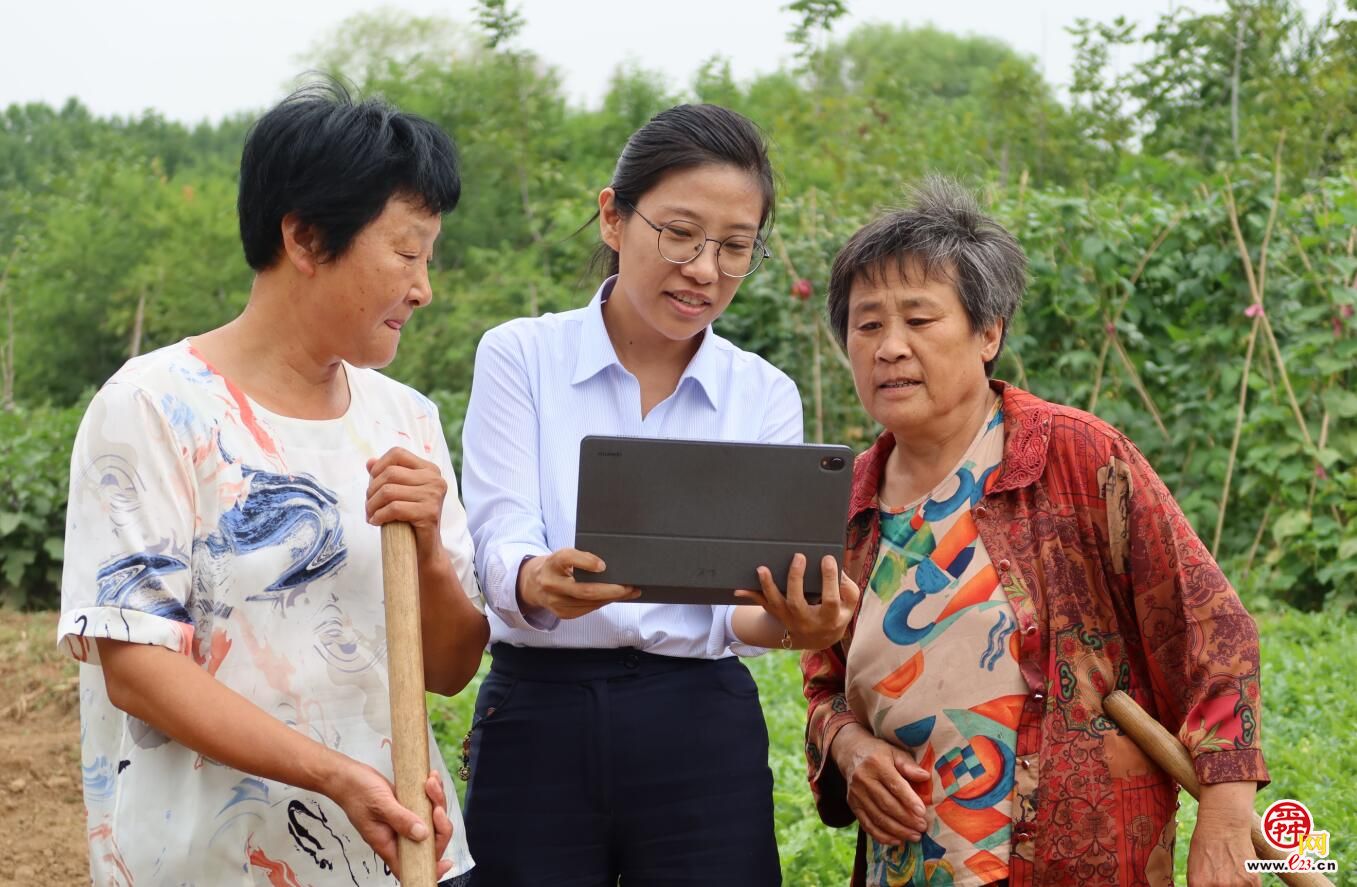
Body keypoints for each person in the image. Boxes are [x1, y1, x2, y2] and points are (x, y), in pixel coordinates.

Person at [58, 82, 488, 885]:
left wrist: (430, 547)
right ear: (305, 236)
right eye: (406, 251)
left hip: (408, 854)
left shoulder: (405, 419)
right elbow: (138, 669)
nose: (425, 287)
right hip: (213, 863)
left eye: (429, 256)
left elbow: (450, 666)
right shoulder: (154, 407)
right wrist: (332, 773)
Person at [801, 178, 1267, 887]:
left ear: (988, 333)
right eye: (866, 325)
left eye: (919, 320)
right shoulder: (847, 505)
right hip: (913, 867)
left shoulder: (1074, 457)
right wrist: (846, 745)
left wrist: (1227, 814)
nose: (889, 347)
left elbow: (1209, 626)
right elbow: (824, 682)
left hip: (1078, 861)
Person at [459, 103, 860, 887]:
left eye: (735, 247)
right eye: (678, 233)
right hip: (540, 714)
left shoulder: (761, 393)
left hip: (699, 724)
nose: (704, 269)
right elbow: (499, 527)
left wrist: (798, 623)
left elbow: (742, 607)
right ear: (612, 216)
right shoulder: (521, 356)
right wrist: (533, 579)